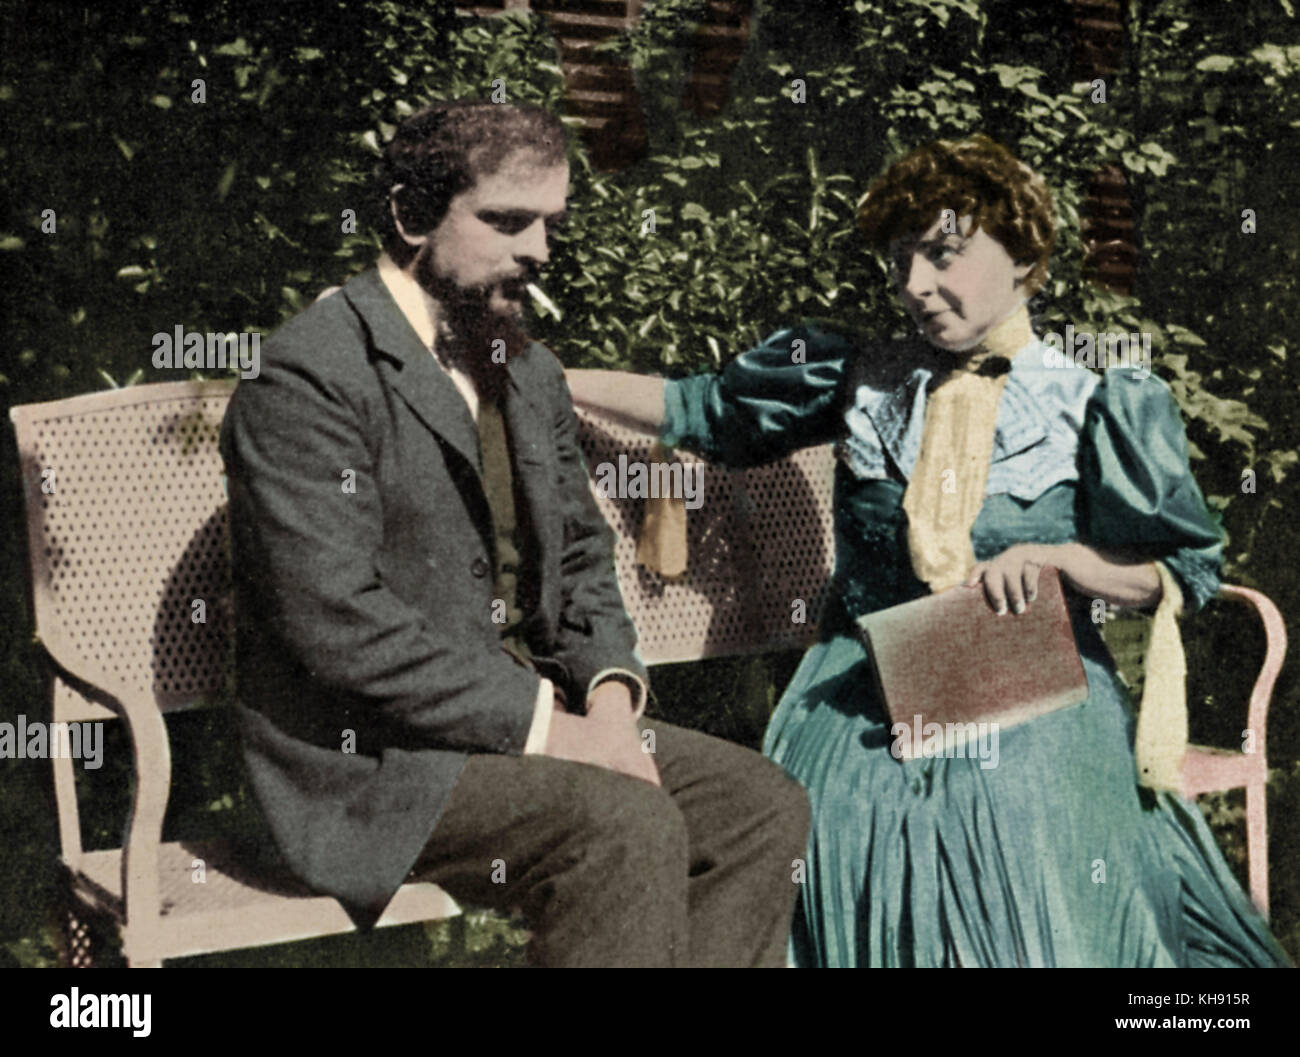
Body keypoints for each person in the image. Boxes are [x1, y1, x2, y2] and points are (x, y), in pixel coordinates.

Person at [566, 134, 1290, 967]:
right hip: (865, 694)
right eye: (900, 260)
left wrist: (1065, 561)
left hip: (1035, 689)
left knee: (1014, 826)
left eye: (943, 253)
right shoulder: (856, 376)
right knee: (831, 830)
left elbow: (1184, 571)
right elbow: (701, 407)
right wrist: (547, 375)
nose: (914, 285)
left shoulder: (1097, 398)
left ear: (1024, 255)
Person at [218, 100, 809, 968]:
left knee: (759, 806)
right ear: (412, 214)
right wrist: (560, 732)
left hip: (522, 733)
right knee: (623, 821)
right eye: (506, 220)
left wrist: (608, 704)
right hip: (371, 769)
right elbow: (336, 624)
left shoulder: (524, 369)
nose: (536, 250)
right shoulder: (311, 376)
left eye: (549, 225)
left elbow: (578, 558)